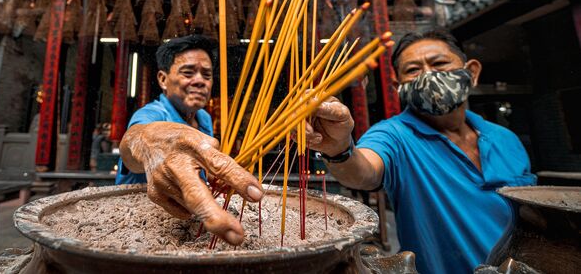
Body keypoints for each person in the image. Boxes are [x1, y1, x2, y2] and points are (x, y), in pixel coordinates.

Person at [304, 29, 536, 274]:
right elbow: (362, 171)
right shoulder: (394, 135)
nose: (428, 75)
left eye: (439, 63)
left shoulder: (506, 139)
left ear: (472, 72)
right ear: (398, 86)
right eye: (413, 70)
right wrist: (338, 148)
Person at [117, 35, 362, 246]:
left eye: (207, 74)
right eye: (188, 72)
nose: (200, 80)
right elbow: (134, 140)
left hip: (195, 226)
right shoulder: (151, 114)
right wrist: (148, 144)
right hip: (139, 229)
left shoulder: (203, 119)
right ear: (162, 79)